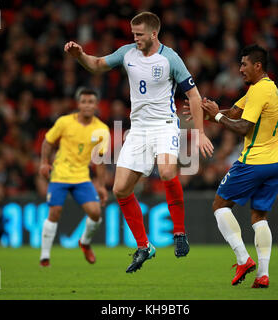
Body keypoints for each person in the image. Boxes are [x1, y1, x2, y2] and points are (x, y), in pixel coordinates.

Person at [64, 11, 214, 273]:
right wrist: (80, 56)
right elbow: (97, 64)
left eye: (139, 35)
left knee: (167, 171)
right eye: (133, 34)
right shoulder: (127, 53)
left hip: (165, 125)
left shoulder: (170, 59)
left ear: (154, 34)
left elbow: (193, 95)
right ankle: (144, 246)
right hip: (138, 130)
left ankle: (179, 232)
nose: (135, 39)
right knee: (120, 190)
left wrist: (200, 132)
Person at [184, 44, 278, 288]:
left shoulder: (259, 90)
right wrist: (208, 113)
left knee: (219, 205)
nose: (240, 69)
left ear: (257, 65)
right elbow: (235, 112)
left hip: (255, 162)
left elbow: (242, 127)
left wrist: (217, 117)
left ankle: (243, 259)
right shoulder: (266, 89)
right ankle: (263, 275)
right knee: (259, 216)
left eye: (244, 64)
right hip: (277, 163)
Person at [39, 88, 110, 266]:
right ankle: (45, 256)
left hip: (81, 177)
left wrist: (101, 185)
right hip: (60, 174)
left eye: (90, 102)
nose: (87, 105)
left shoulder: (101, 129)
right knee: (54, 212)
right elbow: (48, 142)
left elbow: (99, 160)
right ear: (78, 104)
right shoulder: (64, 122)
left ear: (96, 105)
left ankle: (85, 242)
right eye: (84, 101)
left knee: (95, 213)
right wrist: (43, 162)